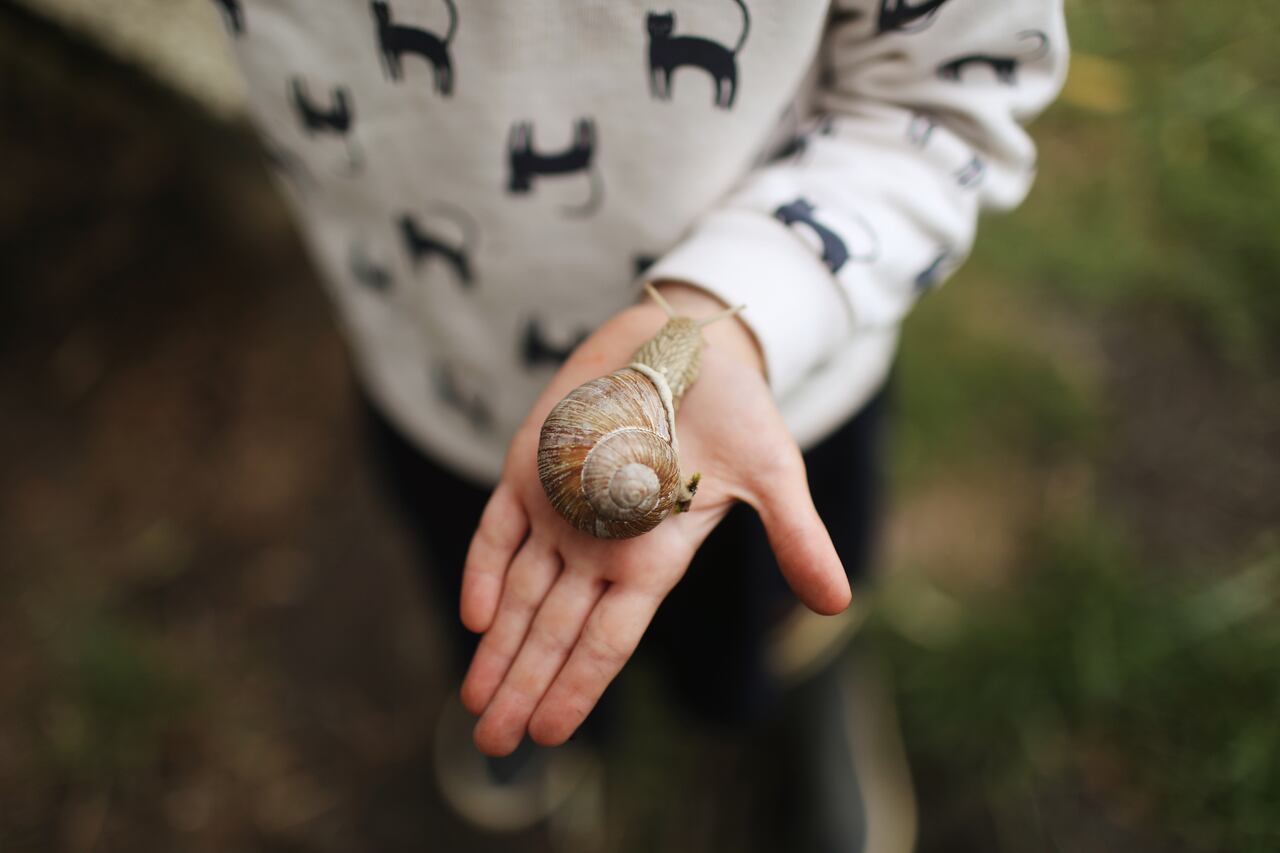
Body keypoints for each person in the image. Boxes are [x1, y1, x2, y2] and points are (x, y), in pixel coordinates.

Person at [219, 0, 1067, 845]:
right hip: (435, 366)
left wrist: (732, 313)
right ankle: (560, 725)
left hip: (774, 390)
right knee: (501, 601)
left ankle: (807, 675)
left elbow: (945, 99)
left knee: (773, 597)